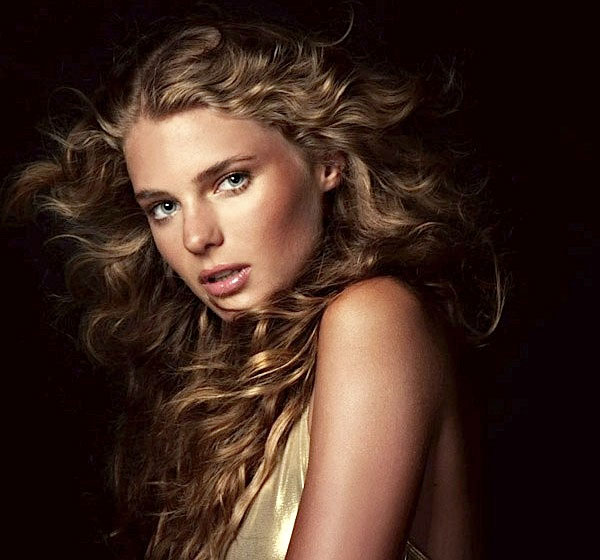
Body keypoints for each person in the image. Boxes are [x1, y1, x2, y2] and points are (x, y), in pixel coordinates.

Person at [6, 15, 502, 560]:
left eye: (231, 180)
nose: (196, 237)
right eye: (164, 207)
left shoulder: (375, 317)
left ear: (326, 160)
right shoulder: (244, 383)